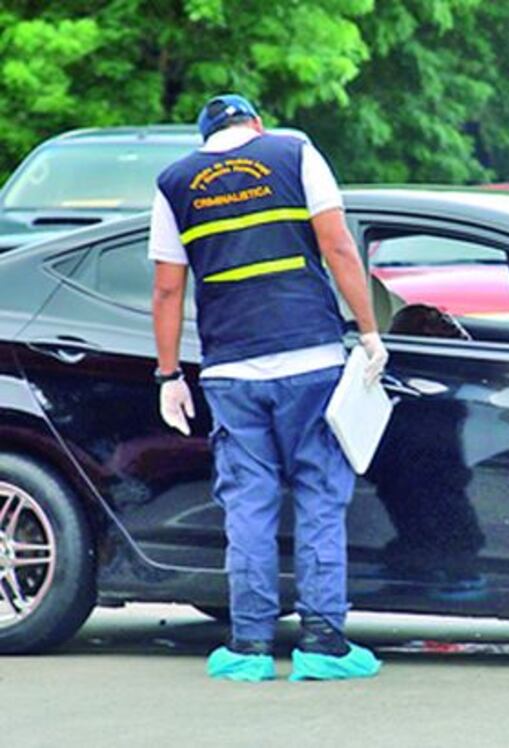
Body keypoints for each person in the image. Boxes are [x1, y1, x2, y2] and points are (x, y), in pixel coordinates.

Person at [150, 94, 387, 682]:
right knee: (319, 499)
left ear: (204, 137)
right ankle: (323, 644)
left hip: (230, 369)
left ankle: (249, 648)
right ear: (256, 124)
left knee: (249, 508)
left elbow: (167, 292)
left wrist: (168, 375)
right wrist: (369, 331)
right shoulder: (296, 152)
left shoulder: (174, 181)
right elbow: (337, 247)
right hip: (310, 357)